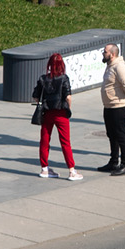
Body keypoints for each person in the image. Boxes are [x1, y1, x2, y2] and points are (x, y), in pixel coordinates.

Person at [32, 52, 81, 181]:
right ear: (61, 65)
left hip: (47, 112)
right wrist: (68, 109)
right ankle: (71, 170)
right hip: (61, 113)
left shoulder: (43, 79)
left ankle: (44, 168)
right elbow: (68, 97)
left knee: (44, 140)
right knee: (65, 142)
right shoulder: (64, 78)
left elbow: (35, 96)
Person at [99, 43, 125, 175]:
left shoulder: (119, 66)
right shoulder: (110, 66)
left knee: (120, 135)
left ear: (112, 54)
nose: (103, 53)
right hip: (108, 106)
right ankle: (113, 162)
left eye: (105, 51)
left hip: (118, 107)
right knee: (111, 134)